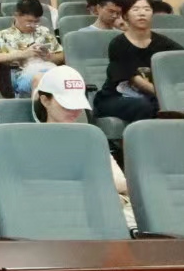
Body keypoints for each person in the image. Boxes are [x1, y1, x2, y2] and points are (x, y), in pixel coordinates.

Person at [33, 66, 130, 223]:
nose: (74, 111)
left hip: (96, 213)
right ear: (45, 100)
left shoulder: (91, 138)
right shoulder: (29, 141)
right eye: (66, 105)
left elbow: (121, 183)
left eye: (77, 104)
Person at [95, 0, 183, 123]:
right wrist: (165, 96)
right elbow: (136, 80)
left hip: (150, 96)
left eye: (147, 9)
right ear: (125, 15)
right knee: (148, 106)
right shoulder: (118, 44)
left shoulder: (162, 42)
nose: (142, 13)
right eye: (135, 9)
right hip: (116, 97)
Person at [0, 0, 63, 97]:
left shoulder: (44, 32)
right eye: (29, 21)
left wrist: (49, 57)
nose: (33, 25)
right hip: (20, 75)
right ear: (16, 16)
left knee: (67, 78)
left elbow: (62, 55)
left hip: (48, 69)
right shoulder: (3, 36)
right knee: (42, 80)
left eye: (36, 21)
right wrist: (22, 54)